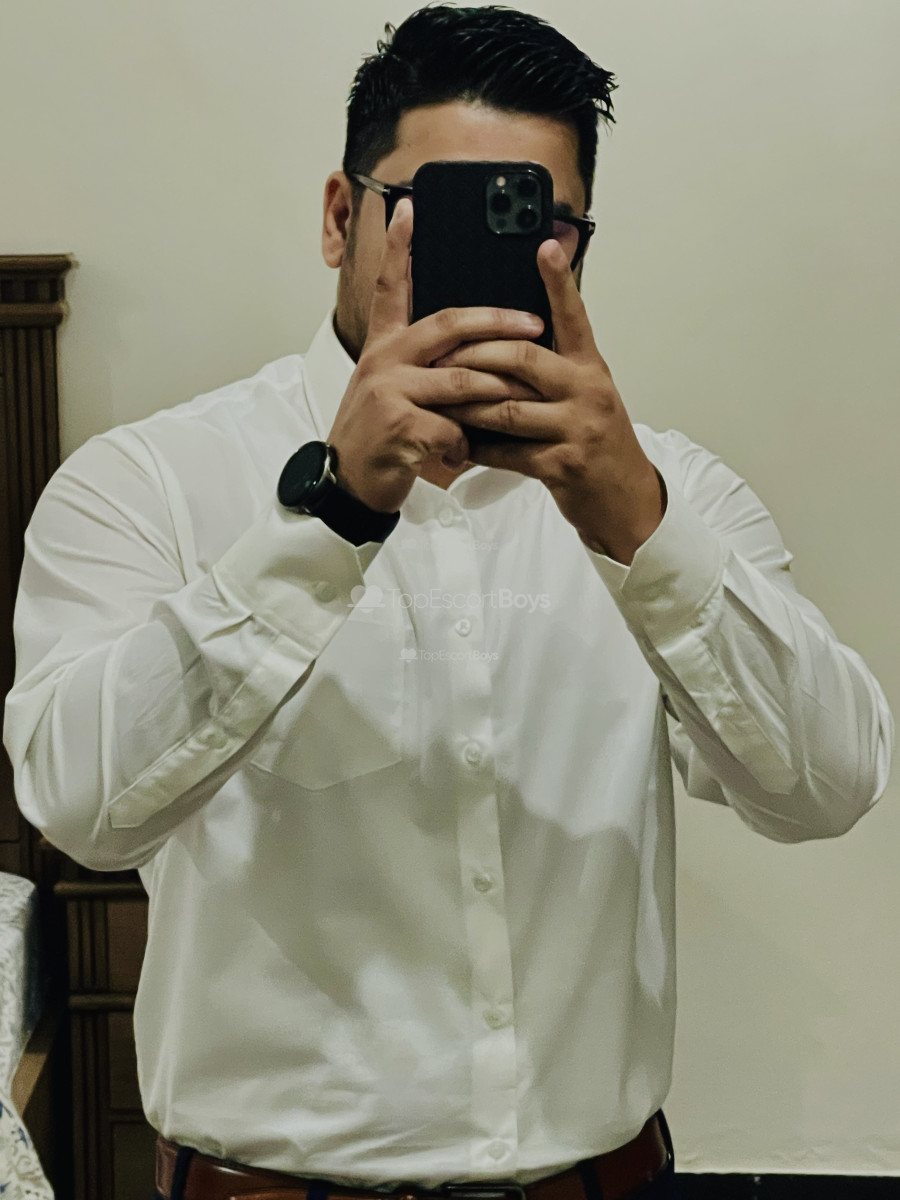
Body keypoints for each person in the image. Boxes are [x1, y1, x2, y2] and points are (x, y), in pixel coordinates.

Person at [3, 7, 893, 1200]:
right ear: (341, 216)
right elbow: (79, 808)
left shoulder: (668, 493)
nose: (494, 247)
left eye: (542, 219)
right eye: (431, 206)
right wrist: (328, 519)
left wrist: (644, 532)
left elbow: (829, 785)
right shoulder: (148, 482)